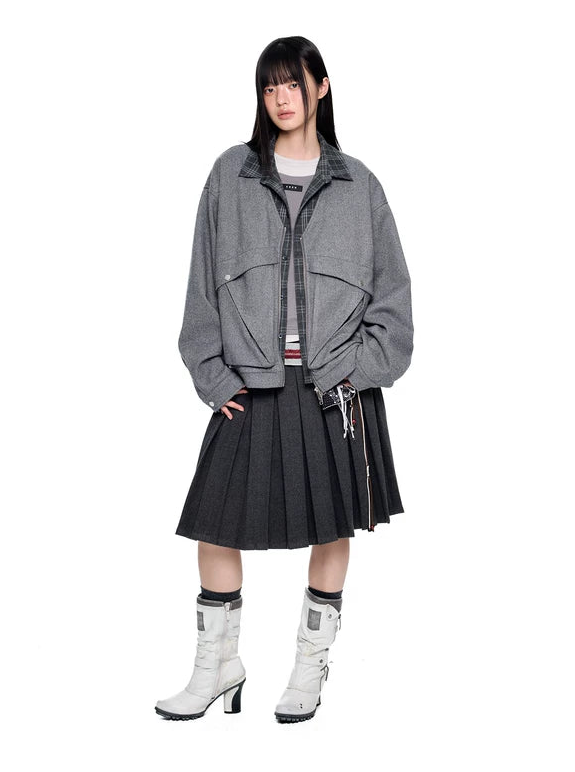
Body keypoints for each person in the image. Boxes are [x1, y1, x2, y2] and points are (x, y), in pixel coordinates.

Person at [155, 36, 414, 723]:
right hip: (251, 384)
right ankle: (217, 667)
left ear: (320, 87)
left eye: (293, 83)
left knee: (332, 528)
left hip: (335, 386)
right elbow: (200, 288)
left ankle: (309, 668)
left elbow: (394, 306)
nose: (281, 97)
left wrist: (356, 369)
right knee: (215, 524)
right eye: (269, 86)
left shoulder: (360, 186)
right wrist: (214, 377)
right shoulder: (231, 174)